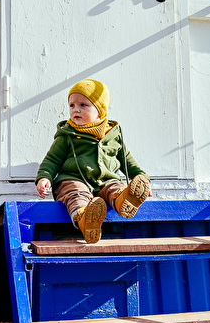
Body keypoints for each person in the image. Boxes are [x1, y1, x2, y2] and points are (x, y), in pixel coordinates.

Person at [35, 79, 150, 244]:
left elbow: (127, 160)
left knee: (115, 186)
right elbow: (52, 160)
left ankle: (123, 200)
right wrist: (44, 177)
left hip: (105, 182)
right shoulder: (67, 135)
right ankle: (85, 219)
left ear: (100, 110)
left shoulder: (113, 135)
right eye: (72, 105)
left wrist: (141, 177)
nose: (76, 109)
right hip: (73, 179)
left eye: (83, 105)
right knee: (76, 193)